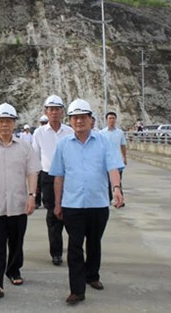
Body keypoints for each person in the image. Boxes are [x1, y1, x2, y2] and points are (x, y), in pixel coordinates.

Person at [49, 99, 124, 305]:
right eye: (75, 117)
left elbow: (113, 168)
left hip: (98, 203)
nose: (79, 121)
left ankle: (93, 275)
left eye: (83, 117)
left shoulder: (104, 142)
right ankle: (77, 289)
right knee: (74, 246)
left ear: (91, 120)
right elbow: (58, 177)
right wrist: (57, 203)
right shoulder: (63, 145)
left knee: (94, 242)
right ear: (70, 121)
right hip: (72, 204)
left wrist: (117, 189)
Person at [0, 103, 41, 298]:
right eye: (1, 121)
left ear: (14, 124)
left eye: (8, 121)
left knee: (16, 242)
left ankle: (13, 270)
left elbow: (32, 173)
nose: (4, 125)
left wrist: (32, 196)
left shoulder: (25, 147)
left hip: (18, 204)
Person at [32, 95, 74, 266]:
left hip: (69, 176)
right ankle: (56, 252)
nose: (54, 112)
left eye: (57, 109)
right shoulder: (39, 133)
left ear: (62, 112)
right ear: (46, 112)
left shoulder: (70, 131)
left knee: (71, 213)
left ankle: (74, 250)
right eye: (51, 109)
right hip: (48, 176)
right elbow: (35, 158)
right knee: (53, 214)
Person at [101, 112, 127, 206]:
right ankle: (109, 199)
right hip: (106, 162)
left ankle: (120, 200)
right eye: (110, 118)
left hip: (118, 161)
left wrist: (124, 157)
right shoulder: (102, 133)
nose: (111, 120)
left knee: (118, 181)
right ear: (106, 120)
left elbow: (123, 146)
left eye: (113, 118)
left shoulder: (120, 133)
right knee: (107, 181)